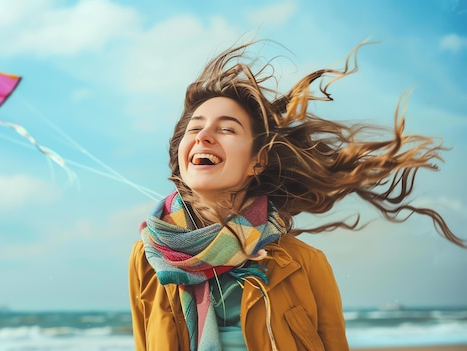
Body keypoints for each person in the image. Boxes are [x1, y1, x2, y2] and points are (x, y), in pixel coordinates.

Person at [128, 40, 465, 351]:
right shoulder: (148, 257)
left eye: (227, 128)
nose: (204, 136)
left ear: (257, 162)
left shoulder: (305, 264)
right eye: (195, 127)